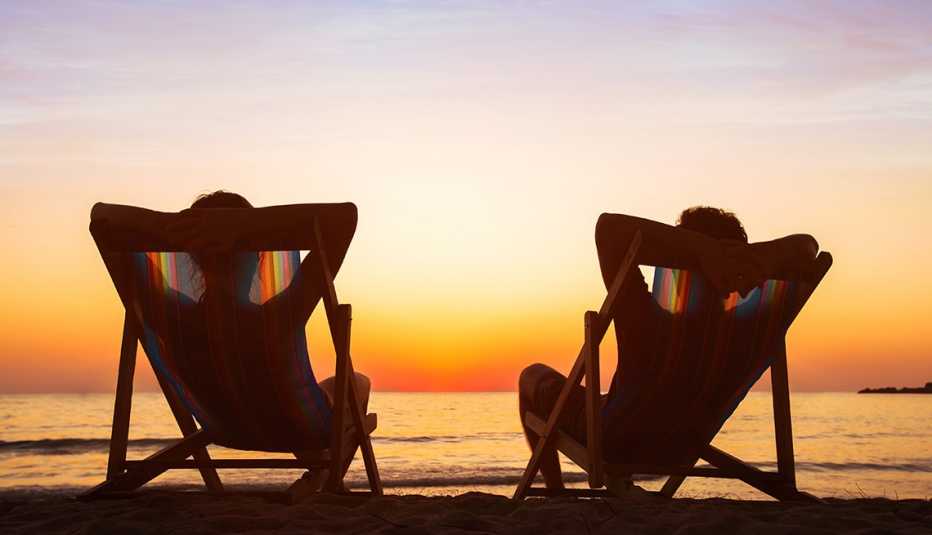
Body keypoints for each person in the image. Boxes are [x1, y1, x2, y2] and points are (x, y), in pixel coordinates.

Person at [518, 206, 819, 492]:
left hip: (618, 436)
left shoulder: (647, 319)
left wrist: (699, 249)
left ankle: (554, 489)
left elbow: (608, 228)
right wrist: (757, 256)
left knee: (531, 376)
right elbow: (808, 246)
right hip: (686, 443)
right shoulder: (751, 328)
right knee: (604, 399)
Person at [91, 191, 367, 493]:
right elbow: (345, 217)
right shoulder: (279, 318)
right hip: (302, 430)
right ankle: (324, 477)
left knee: (291, 400)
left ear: (193, 258)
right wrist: (242, 226)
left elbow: (102, 219)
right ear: (258, 254)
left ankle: (320, 474)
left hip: (224, 427)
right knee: (358, 381)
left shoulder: (170, 316)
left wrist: (171, 226)